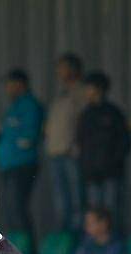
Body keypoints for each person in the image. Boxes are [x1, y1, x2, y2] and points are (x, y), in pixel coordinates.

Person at [76, 72, 131, 232]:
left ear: (99, 89)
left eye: (89, 88)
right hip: (92, 174)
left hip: (111, 174)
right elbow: (81, 143)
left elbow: (124, 143)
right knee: (94, 213)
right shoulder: (86, 114)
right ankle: (96, 247)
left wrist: (113, 163)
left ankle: (114, 246)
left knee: (112, 212)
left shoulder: (113, 113)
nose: (87, 92)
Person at [0, 69, 44, 237]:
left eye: (9, 84)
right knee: (9, 209)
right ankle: (15, 244)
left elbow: (28, 138)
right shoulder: (13, 107)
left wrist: (14, 140)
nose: (7, 89)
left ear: (19, 84)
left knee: (18, 207)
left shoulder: (30, 106)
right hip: (8, 164)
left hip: (22, 164)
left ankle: (26, 248)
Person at [45, 53, 85, 233]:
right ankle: (64, 238)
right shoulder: (61, 95)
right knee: (61, 200)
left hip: (70, 154)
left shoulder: (81, 92)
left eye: (62, 68)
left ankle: (77, 237)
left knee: (76, 200)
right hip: (56, 153)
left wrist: (75, 146)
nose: (59, 72)